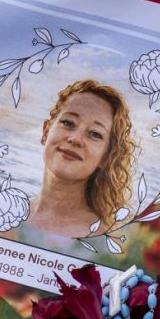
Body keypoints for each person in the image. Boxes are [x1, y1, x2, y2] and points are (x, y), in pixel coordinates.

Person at [25, 79, 135, 243]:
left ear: (106, 157)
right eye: (68, 123)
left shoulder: (105, 240)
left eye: (95, 134)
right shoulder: (6, 210)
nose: (75, 139)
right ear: (46, 132)